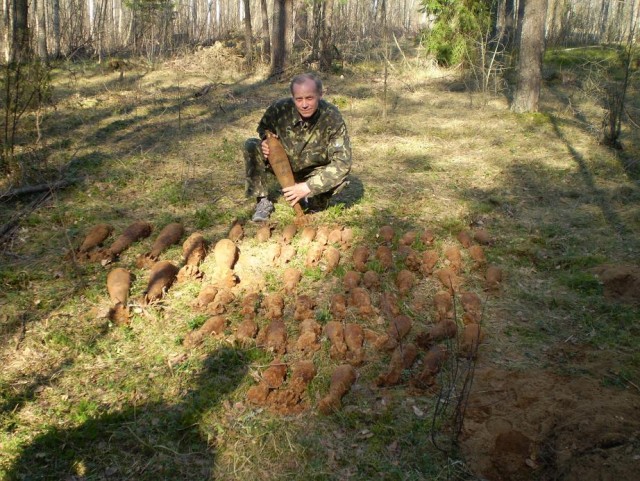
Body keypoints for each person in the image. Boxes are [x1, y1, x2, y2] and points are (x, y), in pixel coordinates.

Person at [243, 73, 352, 222]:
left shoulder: (332, 117)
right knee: (251, 145)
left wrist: (308, 187)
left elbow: (342, 163)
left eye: (309, 98)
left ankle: (311, 198)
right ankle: (263, 201)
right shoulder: (280, 109)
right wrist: (265, 141)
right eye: (298, 99)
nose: (304, 104)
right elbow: (264, 128)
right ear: (293, 97)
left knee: (318, 203)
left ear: (320, 94)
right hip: (284, 166)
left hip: (314, 172)